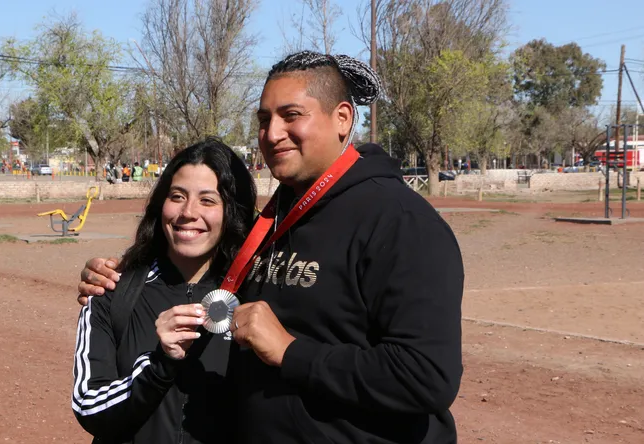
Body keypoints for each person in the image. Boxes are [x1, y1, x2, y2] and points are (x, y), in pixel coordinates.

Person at [79, 50, 464, 443]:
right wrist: (115, 275)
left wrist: (291, 352)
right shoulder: (276, 218)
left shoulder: (400, 221)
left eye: (291, 115)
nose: (273, 133)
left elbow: (426, 375)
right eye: (264, 119)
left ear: (343, 119)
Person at [72, 137, 257, 443]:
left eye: (208, 200)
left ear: (231, 212)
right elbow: (89, 407)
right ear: (161, 205)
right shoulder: (112, 291)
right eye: (177, 196)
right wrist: (159, 366)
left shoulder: (254, 294)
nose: (188, 212)